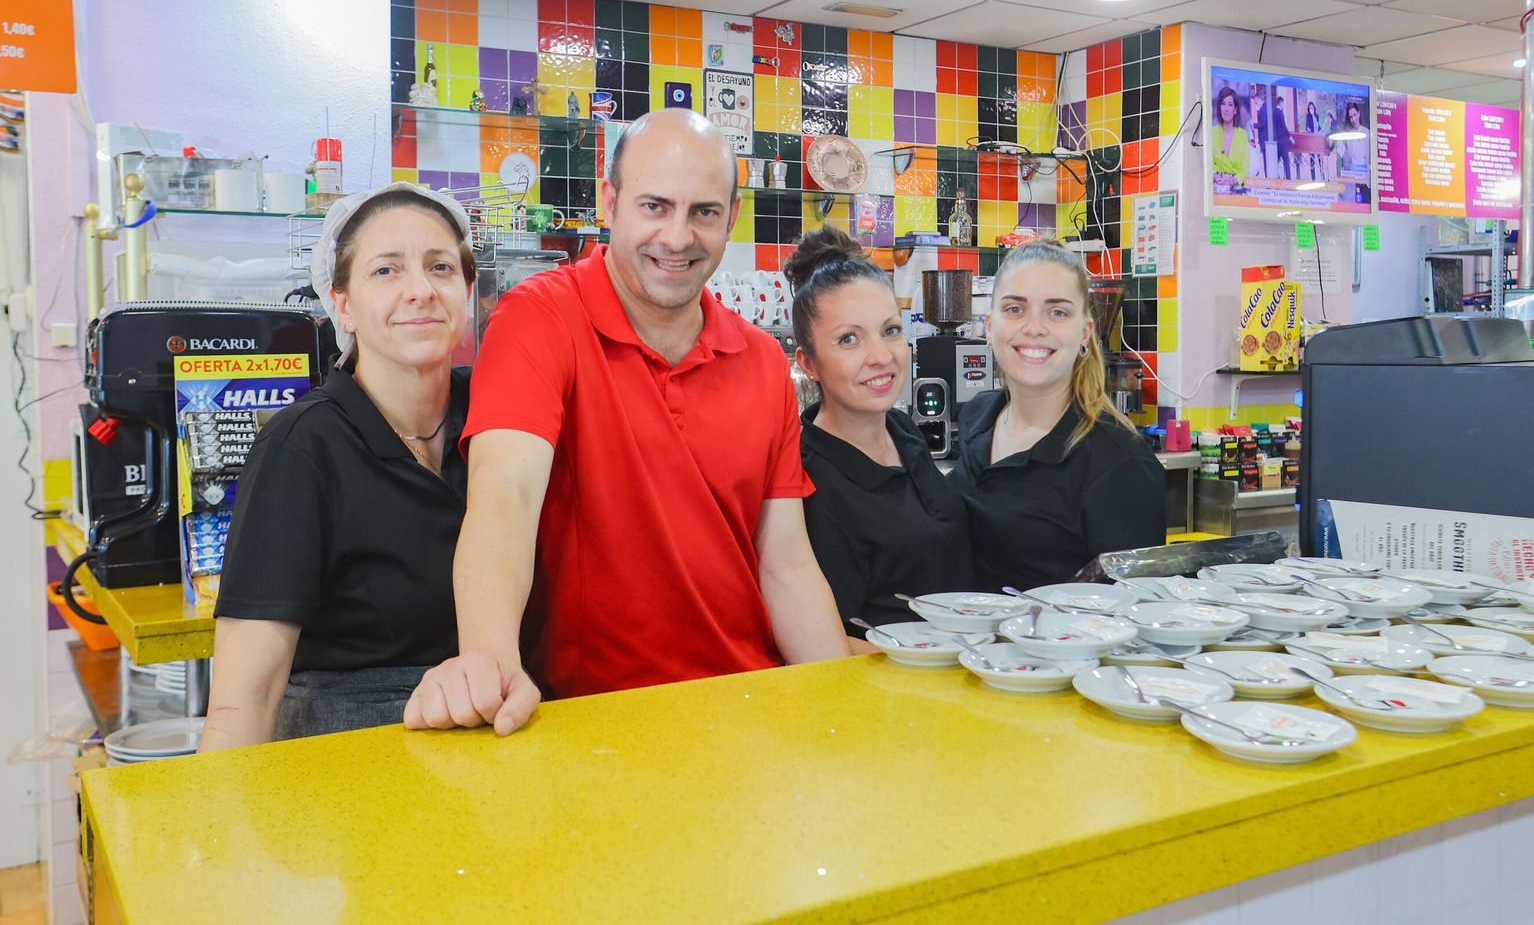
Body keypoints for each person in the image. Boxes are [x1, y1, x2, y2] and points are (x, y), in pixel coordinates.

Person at [405, 109, 850, 736]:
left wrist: (841, 710)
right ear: (610, 202)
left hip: (753, 710)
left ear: (731, 215)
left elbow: (787, 567)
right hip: (597, 722)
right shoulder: (539, 319)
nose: (677, 237)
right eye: (654, 206)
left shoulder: (759, 361)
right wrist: (489, 658)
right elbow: (505, 498)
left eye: (704, 212)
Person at [198, 182, 475, 749]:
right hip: (346, 753)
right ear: (342, 305)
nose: (420, 290)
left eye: (441, 267)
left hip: (491, 736)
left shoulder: (498, 419)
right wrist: (218, 830)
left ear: (467, 290)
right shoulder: (302, 448)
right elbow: (244, 697)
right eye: (386, 272)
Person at [784, 227, 973, 643]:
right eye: (849, 339)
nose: (881, 356)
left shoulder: (903, 431)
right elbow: (830, 641)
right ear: (809, 363)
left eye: (890, 331)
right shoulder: (809, 478)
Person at [950, 240, 1164, 593]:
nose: (1034, 327)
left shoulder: (1120, 463)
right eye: (1015, 309)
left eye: (1057, 312)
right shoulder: (977, 417)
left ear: (1085, 332)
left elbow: (1132, 616)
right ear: (988, 327)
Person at [1210, 86, 1248, 193]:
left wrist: (1232, 180)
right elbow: (1209, 163)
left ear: (1235, 110)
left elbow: (1244, 169)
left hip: (1236, 191)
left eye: (1230, 105)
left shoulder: (1242, 135)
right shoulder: (1211, 133)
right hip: (1216, 191)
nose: (1226, 109)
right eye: (1223, 104)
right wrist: (1214, 175)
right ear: (1219, 107)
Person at [1334, 100, 1371, 203]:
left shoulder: (1367, 133)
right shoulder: (1348, 135)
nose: (1354, 119)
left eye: (1355, 115)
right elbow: (1343, 154)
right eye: (1351, 117)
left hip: (1365, 180)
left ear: (1358, 113)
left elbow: (1369, 159)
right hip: (1353, 181)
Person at [1272, 96, 1294, 179]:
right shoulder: (1280, 113)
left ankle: (1275, 178)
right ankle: (1288, 179)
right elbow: (1284, 127)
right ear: (1280, 102)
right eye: (1283, 103)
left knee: (1275, 162)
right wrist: (1290, 137)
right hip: (1283, 142)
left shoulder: (1273, 112)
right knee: (1286, 162)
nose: (1284, 105)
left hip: (1276, 141)